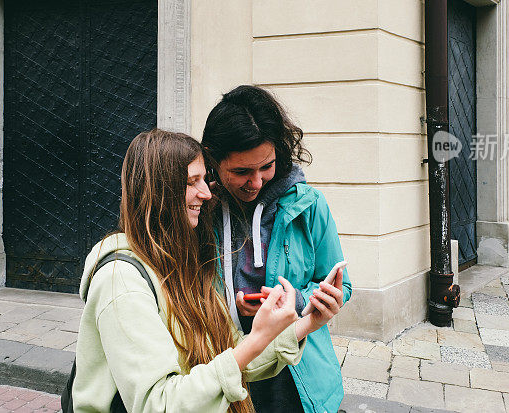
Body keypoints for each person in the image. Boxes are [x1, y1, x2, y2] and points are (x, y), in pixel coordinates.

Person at [71, 129, 345, 413]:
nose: (206, 193)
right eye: (192, 182)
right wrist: (260, 337)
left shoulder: (181, 262)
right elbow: (159, 404)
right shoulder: (121, 281)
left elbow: (228, 355)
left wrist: (309, 323)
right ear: (158, 190)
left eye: (204, 179)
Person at [202, 85, 353, 413]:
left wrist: (298, 301)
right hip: (223, 360)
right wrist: (227, 303)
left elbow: (342, 284)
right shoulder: (201, 209)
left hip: (295, 369)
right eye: (241, 171)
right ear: (213, 159)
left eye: (266, 167)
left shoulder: (308, 205)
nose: (255, 182)